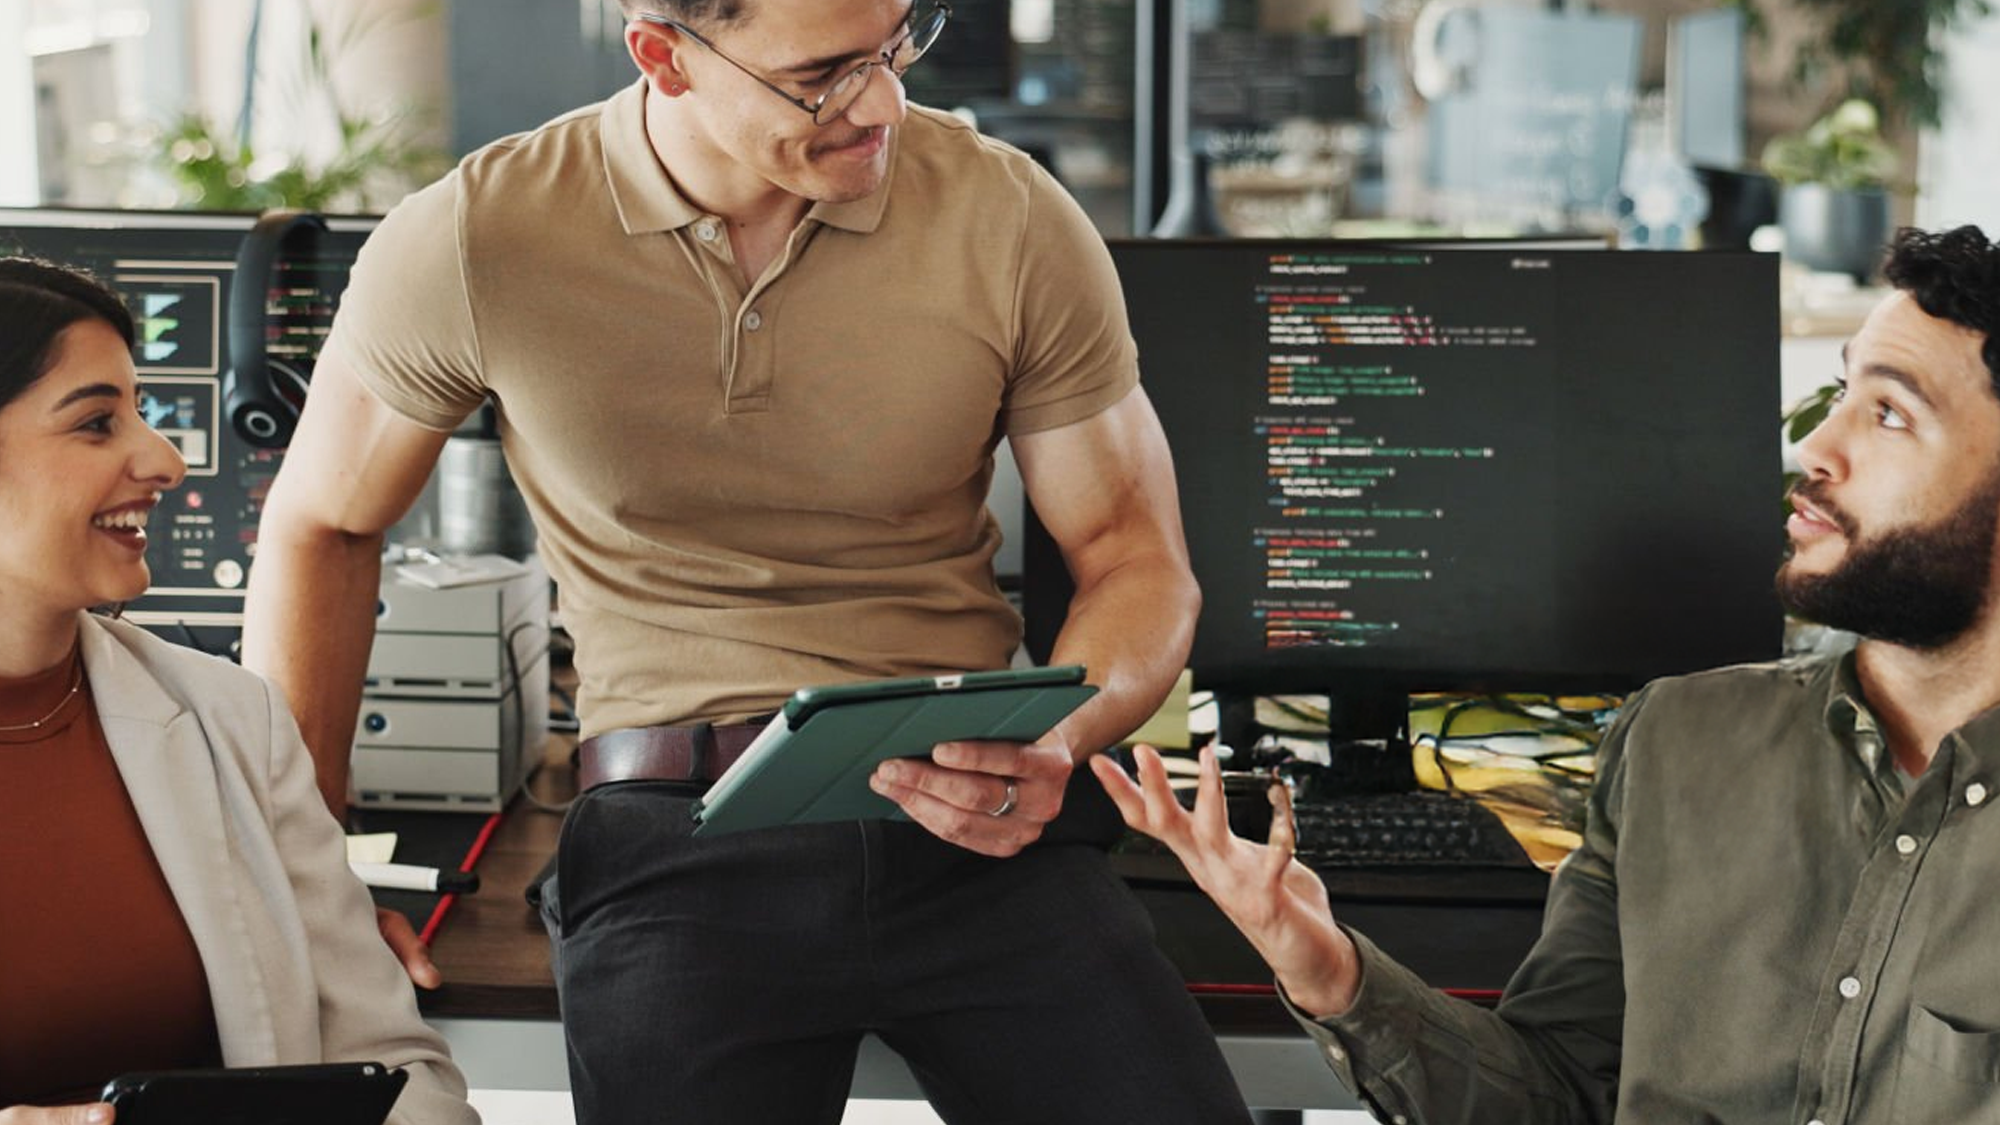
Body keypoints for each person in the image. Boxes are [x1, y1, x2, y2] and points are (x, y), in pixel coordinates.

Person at [239, 0, 1254, 1121]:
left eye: (893, 45)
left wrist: (1057, 741)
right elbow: (321, 527)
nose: (881, 102)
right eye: (821, 73)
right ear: (663, 56)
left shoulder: (1005, 213)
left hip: (970, 817)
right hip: (675, 830)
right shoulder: (479, 234)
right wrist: (305, 871)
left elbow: (1132, 555)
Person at [1092, 224, 2000, 1124]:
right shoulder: (1678, 743)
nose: (1815, 450)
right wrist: (1329, 967)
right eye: (1841, 392)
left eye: (1889, 413)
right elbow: (1555, 1093)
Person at [0, 258, 477, 1125]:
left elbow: (394, 1069)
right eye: (98, 423)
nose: (166, 459)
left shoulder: (232, 721)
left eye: (140, 412)